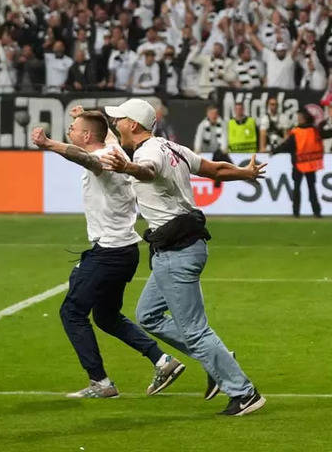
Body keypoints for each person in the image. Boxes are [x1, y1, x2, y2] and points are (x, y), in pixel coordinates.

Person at [99, 98, 268, 416]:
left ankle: (244, 393)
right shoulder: (170, 147)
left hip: (177, 252)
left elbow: (145, 172)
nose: (115, 123)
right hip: (179, 248)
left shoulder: (147, 155)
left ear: (133, 125)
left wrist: (128, 168)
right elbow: (214, 169)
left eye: (118, 119)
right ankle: (218, 357)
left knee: (195, 330)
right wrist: (244, 172)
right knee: (147, 315)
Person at [31, 112, 184, 399]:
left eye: (73, 128)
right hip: (125, 251)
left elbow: (84, 158)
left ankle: (100, 383)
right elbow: (108, 135)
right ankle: (163, 361)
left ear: (87, 136)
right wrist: (97, 115)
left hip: (109, 253)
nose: (70, 130)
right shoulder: (114, 149)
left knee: (71, 312)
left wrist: (48, 143)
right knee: (106, 316)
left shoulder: (101, 158)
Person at [270, 109, 332, 218]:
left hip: (298, 163)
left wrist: (275, 151)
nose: (298, 118)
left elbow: (287, 145)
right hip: (310, 163)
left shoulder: (297, 132)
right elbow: (326, 134)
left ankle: (296, 213)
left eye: (299, 116)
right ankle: (316, 212)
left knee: (297, 188)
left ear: (303, 118)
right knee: (311, 188)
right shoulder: (313, 130)